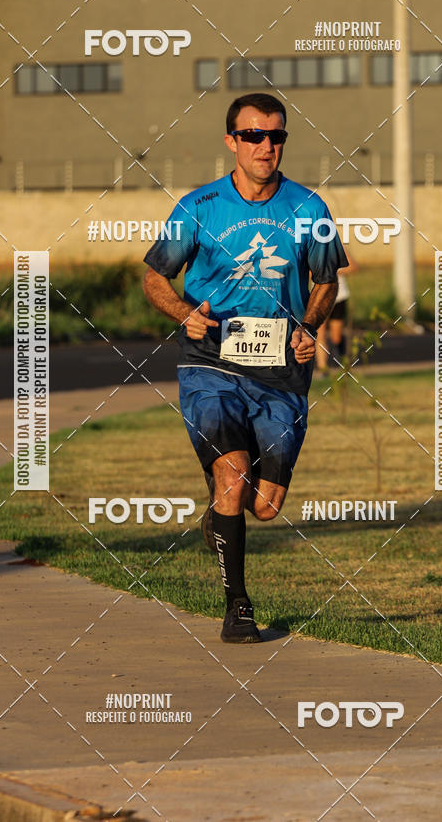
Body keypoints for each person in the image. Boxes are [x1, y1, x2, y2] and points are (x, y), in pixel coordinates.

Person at [142, 93, 347, 644]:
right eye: (253, 135)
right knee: (232, 477)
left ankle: (219, 513)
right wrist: (185, 314)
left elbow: (326, 282)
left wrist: (309, 326)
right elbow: (155, 277)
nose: (265, 146)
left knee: (264, 506)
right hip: (211, 360)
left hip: (280, 369)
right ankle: (238, 606)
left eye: (275, 136)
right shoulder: (199, 207)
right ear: (232, 141)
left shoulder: (309, 209)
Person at [315, 256, 358, 376]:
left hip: (339, 296)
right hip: (320, 298)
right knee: (320, 335)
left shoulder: (340, 248)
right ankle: (323, 369)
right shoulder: (312, 250)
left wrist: (334, 271)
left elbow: (353, 267)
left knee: (336, 337)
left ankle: (345, 365)